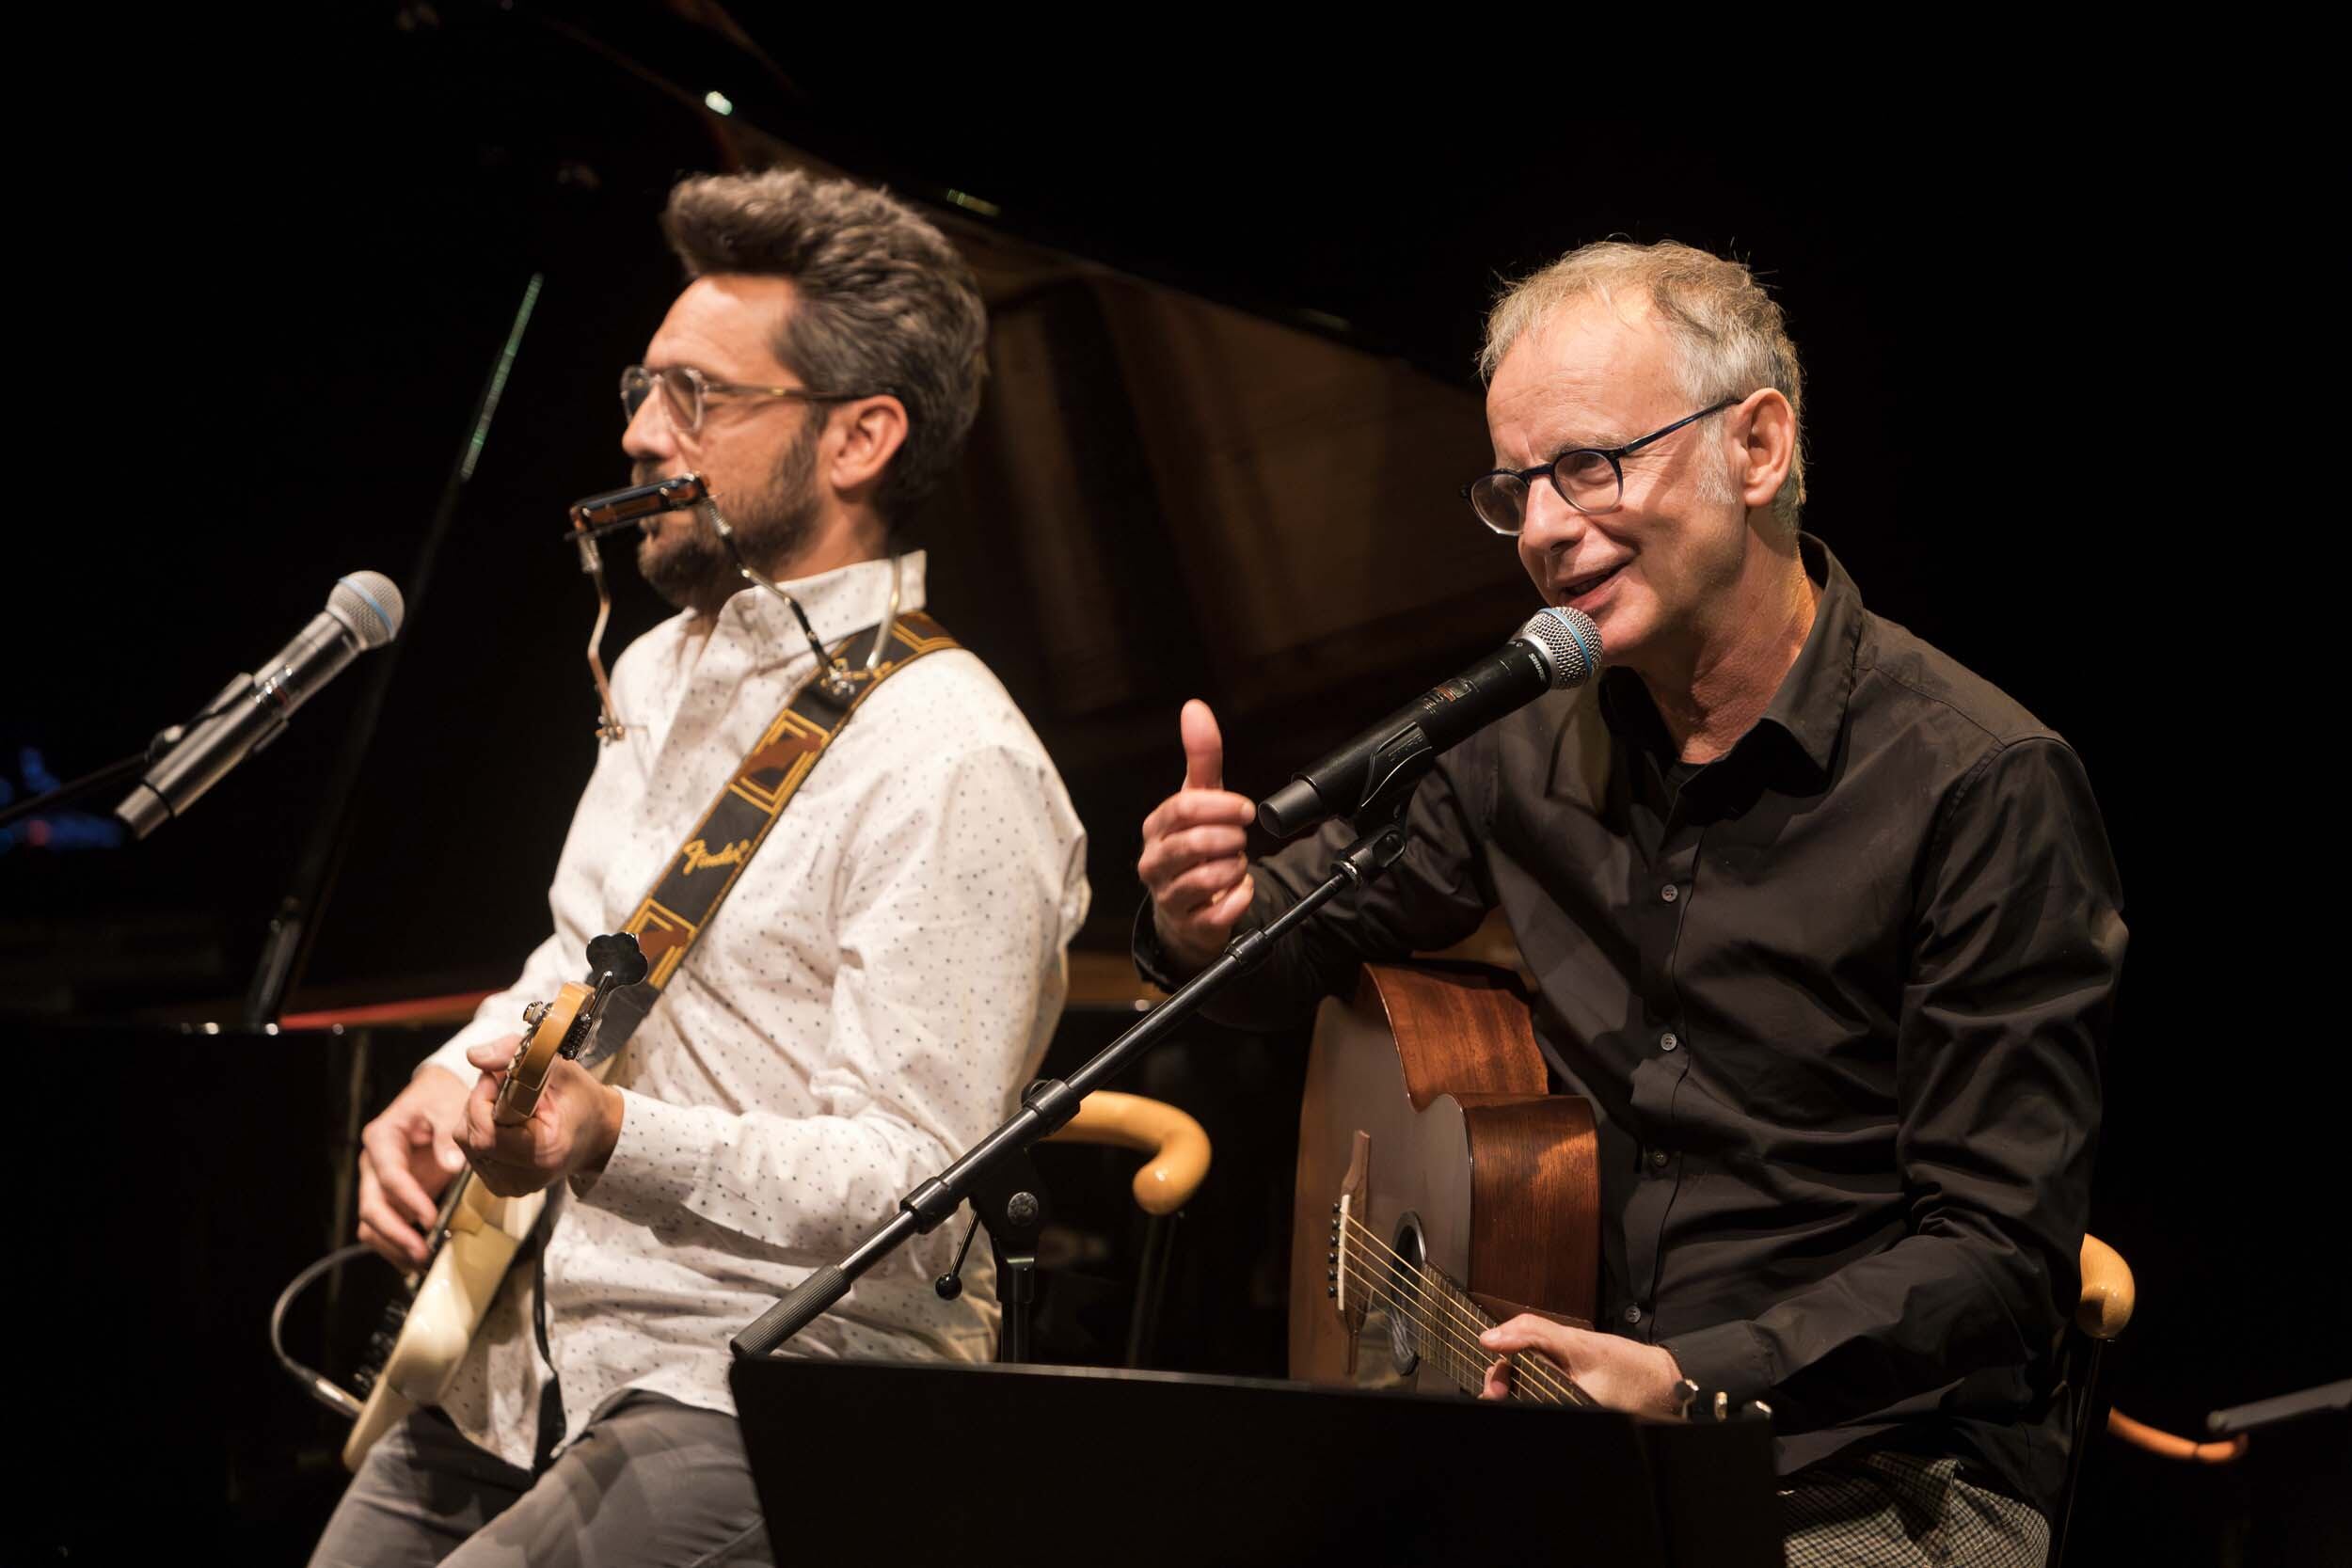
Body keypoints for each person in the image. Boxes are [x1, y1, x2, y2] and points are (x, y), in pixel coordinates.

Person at [1135, 240, 2119, 1565]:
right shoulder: (1519, 747)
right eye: (1515, 488)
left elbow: (2000, 1257)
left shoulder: (1979, 782)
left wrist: (1692, 1380)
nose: (1544, 529)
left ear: (1756, 447)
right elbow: (1283, 952)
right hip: (1573, 1449)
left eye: (1590, 466)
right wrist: (1203, 922)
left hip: (1875, 1473)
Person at [315, 167, 1089, 1567]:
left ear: (859, 438)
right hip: (530, 1341)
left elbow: (911, 1179)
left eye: (696, 396)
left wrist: (613, 1135)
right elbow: (584, 963)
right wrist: (445, 1076)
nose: (639, 431)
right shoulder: (656, 671)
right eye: (644, 387)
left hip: (765, 1381)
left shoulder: (954, 756)